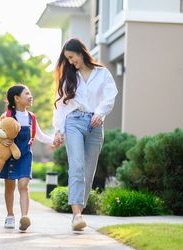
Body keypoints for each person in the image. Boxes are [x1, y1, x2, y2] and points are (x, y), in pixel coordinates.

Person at [52, 38, 118, 231]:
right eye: (68, 59)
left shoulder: (102, 73)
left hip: (95, 125)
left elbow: (110, 95)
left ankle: (79, 214)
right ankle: (76, 215)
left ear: (81, 52)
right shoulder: (69, 77)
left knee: (88, 173)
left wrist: (100, 113)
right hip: (74, 122)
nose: (71, 62)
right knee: (77, 167)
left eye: (72, 57)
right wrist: (58, 130)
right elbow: (62, 106)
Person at [0, 83, 54, 232]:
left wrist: (55, 141)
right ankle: (10, 215)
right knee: (10, 187)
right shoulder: (6, 115)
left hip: (25, 155)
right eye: (27, 94)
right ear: (17, 98)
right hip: (8, 156)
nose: (30, 96)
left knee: (24, 185)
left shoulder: (31, 117)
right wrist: (1, 140)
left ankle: (25, 217)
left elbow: (40, 135)